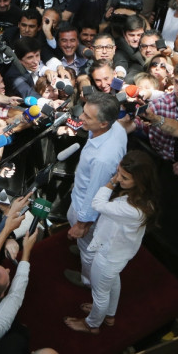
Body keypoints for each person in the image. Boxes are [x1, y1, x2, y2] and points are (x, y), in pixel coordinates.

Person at [64, 150, 158, 334]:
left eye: (124, 177)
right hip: (115, 251)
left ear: (140, 180)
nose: (119, 178)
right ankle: (109, 315)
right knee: (111, 283)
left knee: (100, 293)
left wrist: (111, 182)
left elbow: (97, 204)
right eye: (118, 172)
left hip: (109, 255)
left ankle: (92, 324)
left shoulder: (131, 208)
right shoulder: (143, 199)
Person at [65, 92, 128, 288]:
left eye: (87, 117)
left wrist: (82, 224)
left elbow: (95, 193)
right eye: (83, 112)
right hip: (80, 195)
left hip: (86, 205)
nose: (81, 118)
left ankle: (88, 281)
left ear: (103, 123)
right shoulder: (115, 127)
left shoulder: (104, 158)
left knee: (90, 249)